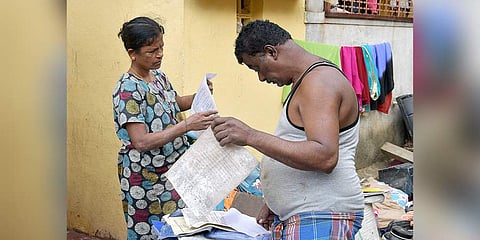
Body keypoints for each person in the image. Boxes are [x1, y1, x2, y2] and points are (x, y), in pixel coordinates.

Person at [211, 20, 364, 239]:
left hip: (321, 216)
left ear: (271, 52)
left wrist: (250, 136)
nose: (261, 77)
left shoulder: (318, 82)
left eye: (257, 68)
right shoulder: (307, 81)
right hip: (309, 216)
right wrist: (275, 203)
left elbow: (325, 157)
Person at [113, 16, 217, 240]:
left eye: (161, 48)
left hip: (174, 172)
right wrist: (186, 125)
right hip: (146, 179)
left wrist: (200, 95)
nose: (159, 54)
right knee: (149, 233)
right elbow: (140, 141)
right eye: (151, 51)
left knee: (178, 229)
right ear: (132, 53)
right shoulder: (127, 89)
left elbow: (174, 102)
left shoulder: (158, 77)